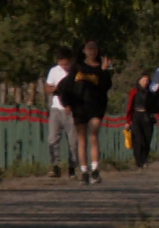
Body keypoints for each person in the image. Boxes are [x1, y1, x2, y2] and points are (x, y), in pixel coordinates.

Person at [65, 40, 113, 183]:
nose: (92, 51)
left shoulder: (102, 67)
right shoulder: (78, 67)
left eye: (94, 49)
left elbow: (106, 86)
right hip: (79, 106)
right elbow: (68, 85)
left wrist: (104, 71)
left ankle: (95, 169)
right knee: (81, 139)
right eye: (89, 49)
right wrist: (67, 103)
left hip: (96, 106)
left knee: (93, 135)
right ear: (84, 50)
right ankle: (84, 170)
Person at [45, 48, 77, 179]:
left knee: (73, 141)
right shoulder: (54, 71)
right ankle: (55, 166)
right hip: (56, 108)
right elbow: (47, 87)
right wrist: (55, 88)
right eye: (61, 63)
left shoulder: (77, 72)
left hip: (72, 110)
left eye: (66, 63)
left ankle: (72, 167)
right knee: (53, 138)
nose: (64, 66)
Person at [125, 72, 154, 168]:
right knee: (138, 138)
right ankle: (139, 161)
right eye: (143, 80)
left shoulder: (151, 92)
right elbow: (130, 106)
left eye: (147, 80)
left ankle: (145, 158)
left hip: (147, 116)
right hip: (136, 116)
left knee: (147, 138)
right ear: (139, 81)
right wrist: (128, 121)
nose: (145, 82)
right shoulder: (134, 91)